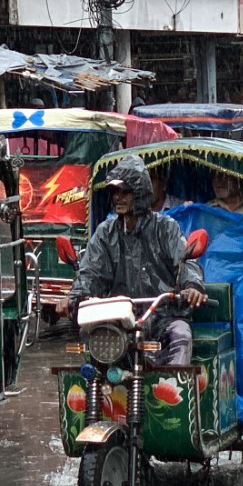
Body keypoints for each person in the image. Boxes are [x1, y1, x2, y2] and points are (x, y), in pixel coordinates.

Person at [58, 155, 208, 365]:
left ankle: (175, 395)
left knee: (181, 335)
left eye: (124, 191)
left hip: (163, 315)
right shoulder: (105, 233)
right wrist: (73, 298)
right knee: (88, 338)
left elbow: (185, 260)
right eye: (114, 192)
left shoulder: (165, 227)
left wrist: (192, 286)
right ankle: (99, 394)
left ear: (139, 192)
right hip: (118, 319)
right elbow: (91, 272)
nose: (118, 197)